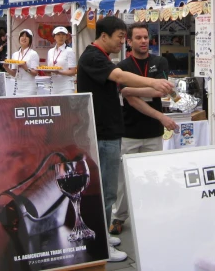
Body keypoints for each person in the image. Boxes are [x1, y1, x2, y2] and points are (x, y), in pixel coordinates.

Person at [76, 16, 172, 262]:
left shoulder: (103, 57)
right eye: (121, 37)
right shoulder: (93, 57)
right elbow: (121, 80)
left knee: (110, 188)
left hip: (112, 131)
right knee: (108, 190)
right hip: (104, 132)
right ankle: (101, 245)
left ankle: (103, 236)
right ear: (104, 35)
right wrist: (153, 82)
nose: (123, 42)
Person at [110, 23, 177, 236]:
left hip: (153, 132)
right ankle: (119, 217)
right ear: (129, 41)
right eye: (138, 37)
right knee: (124, 180)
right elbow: (128, 96)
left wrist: (135, 89)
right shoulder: (122, 66)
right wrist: (150, 88)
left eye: (146, 37)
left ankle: (150, 215)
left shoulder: (160, 61)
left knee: (152, 175)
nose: (143, 41)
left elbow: (162, 92)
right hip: (128, 131)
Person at [3, 29, 39, 95]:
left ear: (30, 40)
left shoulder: (33, 54)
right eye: (22, 36)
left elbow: (35, 73)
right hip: (18, 86)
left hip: (29, 87)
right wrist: (6, 68)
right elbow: (14, 73)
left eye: (27, 36)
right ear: (19, 38)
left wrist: (26, 68)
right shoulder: (15, 54)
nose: (24, 38)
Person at [46, 26, 77, 94]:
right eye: (58, 34)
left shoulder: (69, 51)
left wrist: (59, 72)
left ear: (66, 37)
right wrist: (47, 71)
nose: (61, 37)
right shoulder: (50, 51)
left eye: (63, 34)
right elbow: (49, 68)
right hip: (53, 85)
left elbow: (73, 71)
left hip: (66, 86)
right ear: (54, 37)